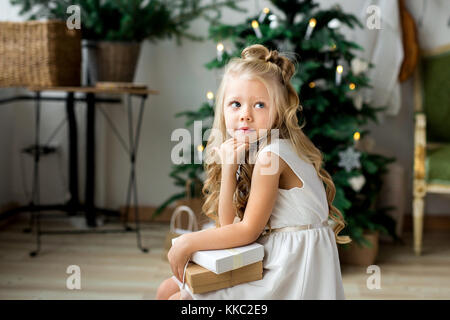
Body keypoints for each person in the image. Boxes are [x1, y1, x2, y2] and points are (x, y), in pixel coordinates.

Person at [156, 44, 352, 300]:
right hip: (275, 255)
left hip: (291, 269)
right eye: (235, 104)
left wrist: (188, 241)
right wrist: (229, 166)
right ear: (223, 111)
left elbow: (246, 231)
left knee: (180, 298)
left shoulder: (272, 155)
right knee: (167, 288)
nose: (245, 115)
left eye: (259, 105)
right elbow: (227, 226)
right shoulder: (255, 151)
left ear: (278, 112)